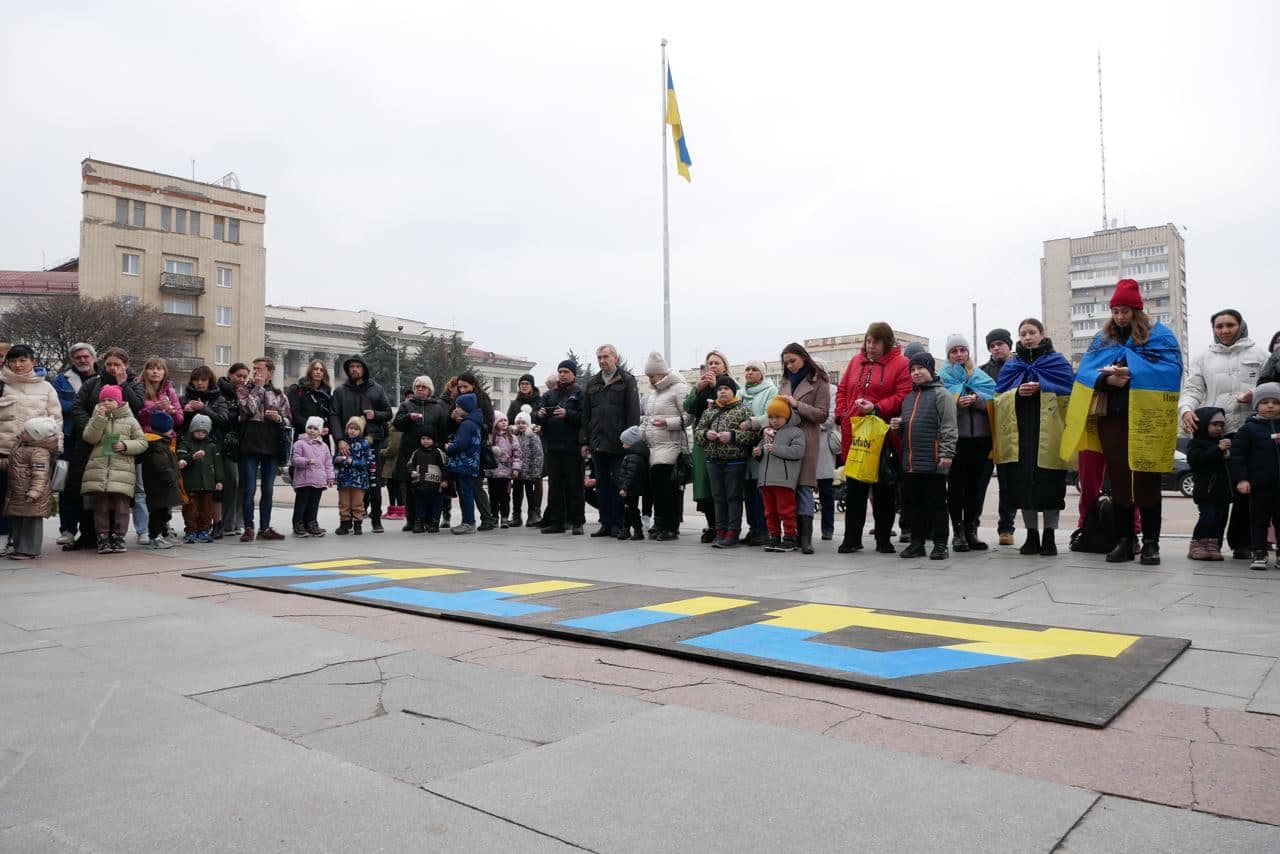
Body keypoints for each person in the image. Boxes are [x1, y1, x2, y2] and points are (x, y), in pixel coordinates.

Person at [1062, 280, 1184, 566]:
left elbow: (1171, 369)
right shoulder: (1103, 339)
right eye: (1115, 311)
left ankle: (1151, 543)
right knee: (1118, 481)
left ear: (1136, 310)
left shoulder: (1160, 337)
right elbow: (1085, 374)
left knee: (1147, 478)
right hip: (1113, 418)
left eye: (1125, 310)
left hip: (1147, 419)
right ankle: (1125, 540)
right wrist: (1107, 378)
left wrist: (1133, 372)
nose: (1119, 316)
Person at [1178, 310, 1268, 560]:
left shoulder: (1260, 355)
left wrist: (1255, 394)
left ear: (1240, 325)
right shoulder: (1204, 358)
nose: (1224, 330)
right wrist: (1186, 410)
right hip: (1218, 431)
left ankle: (1242, 543)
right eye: (1219, 326)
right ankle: (1209, 543)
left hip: (1252, 428)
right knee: (1217, 490)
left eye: (1230, 325)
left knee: (1245, 490)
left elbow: (1272, 386)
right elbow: (1193, 388)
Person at [994, 318, 1075, 556]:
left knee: (1051, 486)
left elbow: (1070, 392)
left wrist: (1044, 387)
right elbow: (999, 397)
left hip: (1050, 435)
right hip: (1021, 437)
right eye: (1023, 333)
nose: (1027, 337)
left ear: (1042, 334)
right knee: (1024, 489)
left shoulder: (1057, 362)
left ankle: (1049, 536)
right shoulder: (1012, 365)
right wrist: (1017, 392)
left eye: (1032, 332)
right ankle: (1031, 535)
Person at [835, 323, 911, 554]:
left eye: (875, 342)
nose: (870, 346)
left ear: (886, 342)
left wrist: (877, 407)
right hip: (855, 432)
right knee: (855, 488)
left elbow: (903, 395)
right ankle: (851, 538)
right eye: (868, 341)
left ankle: (883, 538)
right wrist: (841, 414)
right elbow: (843, 390)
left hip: (883, 435)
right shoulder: (855, 362)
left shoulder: (901, 364)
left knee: (883, 490)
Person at [66, 348, 145, 550]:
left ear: (125, 365)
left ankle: (116, 536)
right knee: (91, 491)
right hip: (91, 446)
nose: (112, 367)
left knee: (119, 495)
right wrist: (92, 427)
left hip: (120, 448)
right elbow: (77, 407)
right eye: (109, 364)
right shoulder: (93, 383)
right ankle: (90, 535)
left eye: (117, 364)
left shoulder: (134, 384)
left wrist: (122, 383)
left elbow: (136, 406)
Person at [890, 351, 958, 560]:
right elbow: (908, 429)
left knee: (937, 504)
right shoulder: (909, 398)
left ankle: (940, 545)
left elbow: (949, 426)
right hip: (911, 462)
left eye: (920, 368)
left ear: (930, 369)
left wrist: (946, 453)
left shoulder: (942, 395)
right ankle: (917, 544)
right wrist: (897, 427)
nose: (916, 373)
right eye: (913, 369)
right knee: (913, 505)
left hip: (935, 461)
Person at [0, 344, 62, 554]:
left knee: (29, 498)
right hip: (4, 449)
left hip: (33, 453)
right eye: (13, 360)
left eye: (23, 360)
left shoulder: (46, 388)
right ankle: (6, 539)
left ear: (33, 362)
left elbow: (56, 420)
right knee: (3, 498)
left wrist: (54, 448)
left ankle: (24, 545)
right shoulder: (2, 384)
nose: (18, 365)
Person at [939, 334, 997, 551]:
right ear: (948, 355)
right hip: (957, 441)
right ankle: (958, 533)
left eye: (962, 350)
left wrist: (977, 399)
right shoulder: (942, 376)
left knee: (975, 488)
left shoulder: (979, 375)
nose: (959, 355)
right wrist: (956, 402)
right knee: (955, 488)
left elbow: (995, 397)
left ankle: (972, 531)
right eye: (954, 351)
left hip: (980, 440)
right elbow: (939, 404)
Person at [580, 345, 641, 538]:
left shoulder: (627, 380)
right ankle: (605, 522)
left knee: (618, 483)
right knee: (603, 484)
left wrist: (630, 438)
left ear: (615, 358)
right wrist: (585, 440)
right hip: (598, 442)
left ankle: (619, 522)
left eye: (606, 356)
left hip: (619, 442)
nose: (602, 360)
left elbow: (633, 412)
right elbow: (586, 415)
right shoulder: (593, 383)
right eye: (599, 357)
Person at [777, 343, 831, 554]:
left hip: (807, 438)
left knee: (804, 486)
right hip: (785, 438)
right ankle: (792, 535)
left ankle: (806, 538)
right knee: (787, 487)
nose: (790, 366)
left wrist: (796, 404)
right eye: (786, 362)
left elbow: (822, 414)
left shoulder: (819, 380)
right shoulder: (784, 381)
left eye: (793, 361)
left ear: (803, 357)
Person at [693, 375, 758, 548]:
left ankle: (733, 532)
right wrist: (707, 435)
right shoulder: (709, 411)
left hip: (735, 462)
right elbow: (698, 432)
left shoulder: (743, 410)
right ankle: (720, 531)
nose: (722, 392)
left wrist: (733, 436)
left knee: (733, 497)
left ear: (733, 391)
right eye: (719, 389)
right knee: (718, 498)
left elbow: (753, 435)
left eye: (726, 389)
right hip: (713, 461)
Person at [329, 355, 392, 533]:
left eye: (358, 366)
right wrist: (340, 438)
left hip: (371, 442)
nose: (354, 369)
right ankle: (348, 521)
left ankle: (376, 519)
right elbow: (334, 415)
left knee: (374, 481)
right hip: (347, 444)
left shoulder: (377, 389)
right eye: (351, 367)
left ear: (364, 369)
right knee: (348, 483)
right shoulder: (341, 391)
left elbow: (387, 412)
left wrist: (376, 415)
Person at [81, 384, 147, 554]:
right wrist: (99, 419)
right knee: (100, 506)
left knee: (121, 507)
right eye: (103, 400)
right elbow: (89, 437)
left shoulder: (130, 420)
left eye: (110, 400)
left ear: (119, 402)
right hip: (100, 469)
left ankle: (119, 536)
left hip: (122, 471)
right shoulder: (96, 417)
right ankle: (102, 537)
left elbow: (142, 442)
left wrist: (125, 445)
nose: (106, 403)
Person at [236, 357, 292, 542]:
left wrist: (278, 419)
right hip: (250, 444)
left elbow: (288, 420)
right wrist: (258, 388)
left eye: (259, 369)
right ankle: (249, 527)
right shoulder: (244, 390)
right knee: (249, 488)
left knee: (268, 489)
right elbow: (248, 410)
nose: (255, 373)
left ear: (270, 372)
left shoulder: (279, 394)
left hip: (271, 445)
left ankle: (265, 527)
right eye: (254, 369)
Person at [1230, 383, 1280, 570]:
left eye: (1275, 402)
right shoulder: (1248, 429)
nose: (1270, 406)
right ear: (1256, 405)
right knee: (1258, 519)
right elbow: (1238, 456)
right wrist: (1242, 479)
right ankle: (1259, 552)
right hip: (1259, 485)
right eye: (1265, 402)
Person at [641, 352, 690, 542]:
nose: (650, 380)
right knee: (657, 489)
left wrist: (668, 423)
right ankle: (659, 522)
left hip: (672, 446)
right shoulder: (653, 394)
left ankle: (671, 526)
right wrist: (642, 432)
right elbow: (647, 417)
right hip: (654, 447)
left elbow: (688, 417)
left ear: (661, 373)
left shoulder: (679, 389)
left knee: (669, 490)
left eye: (652, 376)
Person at [52, 342, 98, 546]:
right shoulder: (61, 380)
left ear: (93, 358)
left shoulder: (103, 378)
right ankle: (68, 529)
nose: (82, 360)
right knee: (66, 486)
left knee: (92, 485)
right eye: (78, 357)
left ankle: (94, 531)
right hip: (70, 438)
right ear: (72, 360)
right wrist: (82, 406)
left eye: (85, 356)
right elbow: (56, 404)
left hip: (95, 439)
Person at [684, 351, 733, 541]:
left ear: (724, 366)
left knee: (720, 488)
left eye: (716, 363)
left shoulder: (728, 385)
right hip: (702, 441)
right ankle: (712, 525)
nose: (712, 366)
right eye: (709, 363)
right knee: (704, 487)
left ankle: (725, 526)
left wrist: (716, 388)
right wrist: (697, 389)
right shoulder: (701, 386)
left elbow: (731, 405)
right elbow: (688, 408)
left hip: (721, 442)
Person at [392, 376, 451, 531]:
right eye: (417, 386)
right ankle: (412, 519)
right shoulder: (406, 405)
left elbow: (442, 430)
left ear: (429, 390)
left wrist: (441, 448)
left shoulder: (437, 407)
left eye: (423, 387)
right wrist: (408, 418)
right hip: (410, 452)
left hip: (432, 454)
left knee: (430, 487)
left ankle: (431, 520)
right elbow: (397, 424)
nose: (419, 389)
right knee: (411, 487)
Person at [179, 366, 231, 538]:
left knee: (212, 491)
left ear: (210, 381)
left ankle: (214, 525)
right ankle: (192, 528)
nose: (200, 383)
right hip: (189, 447)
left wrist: (203, 409)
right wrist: (185, 413)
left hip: (212, 446)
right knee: (191, 490)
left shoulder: (219, 398)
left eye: (203, 380)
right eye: (196, 379)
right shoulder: (185, 397)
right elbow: (178, 425)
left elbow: (223, 420)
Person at [535, 360, 585, 535]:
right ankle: (557, 522)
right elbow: (537, 415)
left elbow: (584, 418)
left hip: (572, 448)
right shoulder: (549, 394)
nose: (562, 374)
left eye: (566, 371)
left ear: (573, 374)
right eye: (560, 371)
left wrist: (568, 414)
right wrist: (539, 415)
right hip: (553, 447)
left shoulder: (579, 394)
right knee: (555, 487)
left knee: (575, 485)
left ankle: (577, 521)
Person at [980, 329, 1018, 545]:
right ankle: (972, 525)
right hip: (986, 435)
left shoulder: (1018, 368)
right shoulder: (982, 372)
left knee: (1008, 484)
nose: (996, 348)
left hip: (1009, 434)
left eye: (1000, 344)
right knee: (980, 483)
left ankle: (1006, 528)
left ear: (1008, 345)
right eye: (992, 345)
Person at [2, 416, 60, 559]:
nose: (21, 433)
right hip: (18, 493)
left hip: (31, 495)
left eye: (26, 432)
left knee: (30, 523)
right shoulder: (22, 446)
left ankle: (29, 550)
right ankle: (19, 547)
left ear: (35, 436)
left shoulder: (39, 453)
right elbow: (11, 463)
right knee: (18, 521)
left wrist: (35, 492)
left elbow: (40, 474)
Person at [756, 396, 806, 552]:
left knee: (786, 511)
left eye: (778, 417)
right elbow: (762, 451)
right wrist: (757, 453)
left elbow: (797, 452)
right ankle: (774, 537)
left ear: (787, 416)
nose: (774, 421)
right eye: (771, 417)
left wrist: (775, 449)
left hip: (784, 481)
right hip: (766, 480)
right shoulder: (767, 433)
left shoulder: (795, 432)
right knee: (770, 512)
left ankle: (790, 537)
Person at [739, 359, 779, 546]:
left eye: (754, 369)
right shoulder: (740, 392)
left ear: (762, 373)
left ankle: (763, 530)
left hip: (761, 444)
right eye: (747, 369)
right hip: (741, 447)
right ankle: (752, 528)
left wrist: (752, 422)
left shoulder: (771, 391)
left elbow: (770, 416)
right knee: (747, 491)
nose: (750, 372)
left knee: (759, 490)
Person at [1185, 407, 1233, 561]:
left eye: (1221, 425)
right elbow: (1197, 461)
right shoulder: (1196, 443)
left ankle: (1213, 544)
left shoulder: (1222, 442)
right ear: (1204, 424)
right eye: (1214, 424)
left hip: (1222, 491)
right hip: (1206, 491)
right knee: (1208, 516)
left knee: (1220, 519)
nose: (1219, 428)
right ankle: (1198, 543)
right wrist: (1217, 449)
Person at [177, 413, 224, 543]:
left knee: (206, 509)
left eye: (204, 432)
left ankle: (204, 530)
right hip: (191, 483)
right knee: (190, 509)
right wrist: (192, 457)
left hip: (208, 483)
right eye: (198, 431)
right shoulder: (185, 443)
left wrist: (219, 480)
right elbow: (181, 459)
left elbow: (217, 464)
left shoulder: (212, 446)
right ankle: (191, 530)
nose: (200, 434)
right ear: (192, 429)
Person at [139, 411, 182, 549]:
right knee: (159, 513)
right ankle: (155, 538)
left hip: (159, 485)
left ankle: (158, 536)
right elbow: (161, 465)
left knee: (162, 512)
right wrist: (170, 478)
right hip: (160, 486)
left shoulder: (158, 442)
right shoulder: (157, 445)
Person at [217, 363, 250, 538]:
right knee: (232, 482)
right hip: (225, 443)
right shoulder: (220, 391)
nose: (242, 379)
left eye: (245, 376)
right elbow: (222, 416)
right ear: (230, 375)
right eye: (239, 375)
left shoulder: (246, 393)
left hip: (243, 443)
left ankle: (238, 522)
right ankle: (226, 523)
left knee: (242, 484)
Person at [288, 416, 333, 538]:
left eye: (315, 428)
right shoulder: (299, 443)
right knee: (302, 502)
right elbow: (295, 459)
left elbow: (328, 463)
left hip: (318, 480)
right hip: (304, 480)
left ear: (320, 431)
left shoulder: (324, 446)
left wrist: (330, 477)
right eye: (310, 427)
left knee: (314, 503)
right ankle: (298, 524)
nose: (312, 430)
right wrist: (306, 461)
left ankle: (311, 523)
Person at [446, 393, 484, 535]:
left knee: (465, 493)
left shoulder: (467, 424)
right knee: (466, 492)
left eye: (458, 406)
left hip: (464, 464)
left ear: (465, 407)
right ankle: (467, 521)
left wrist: (449, 447)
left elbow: (460, 444)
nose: (455, 409)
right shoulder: (474, 421)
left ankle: (468, 522)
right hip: (471, 463)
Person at [334, 416, 374, 535]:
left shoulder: (364, 444)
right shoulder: (342, 444)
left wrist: (354, 462)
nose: (352, 431)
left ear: (360, 431)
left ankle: (358, 523)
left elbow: (367, 462)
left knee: (357, 503)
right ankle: (345, 523)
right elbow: (333, 459)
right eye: (350, 428)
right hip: (344, 479)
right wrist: (338, 459)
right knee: (344, 503)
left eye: (356, 429)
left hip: (359, 479)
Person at [407, 432, 448, 532]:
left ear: (433, 440)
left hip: (435, 486)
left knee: (436, 505)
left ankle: (434, 523)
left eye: (428, 439)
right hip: (419, 485)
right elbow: (410, 464)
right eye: (423, 439)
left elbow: (444, 467)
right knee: (419, 505)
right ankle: (419, 523)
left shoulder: (438, 452)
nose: (425, 441)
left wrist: (445, 480)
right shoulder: (416, 452)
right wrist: (412, 471)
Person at [511, 406, 544, 527]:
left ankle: (532, 515)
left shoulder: (533, 437)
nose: (520, 425)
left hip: (529, 473)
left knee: (530, 495)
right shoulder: (514, 437)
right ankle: (516, 516)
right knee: (516, 495)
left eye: (523, 423)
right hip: (518, 473)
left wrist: (536, 471)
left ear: (528, 424)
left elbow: (538, 455)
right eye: (518, 423)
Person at [486, 414, 521, 528]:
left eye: (505, 420)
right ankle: (494, 516)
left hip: (506, 473)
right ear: (495, 423)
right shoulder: (490, 437)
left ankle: (505, 517)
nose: (504, 422)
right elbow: (486, 452)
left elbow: (517, 454)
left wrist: (516, 468)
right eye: (501, 421)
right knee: (493, 496)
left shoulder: (512, 437)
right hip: (493, 473)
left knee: (505, 496)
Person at [287, 359, 334, 441]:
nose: (318, 372)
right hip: (302, 437)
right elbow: (295, 414)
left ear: (324, 374)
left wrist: (327, 428)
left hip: (322, 439)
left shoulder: (327, 394)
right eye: (315, 369)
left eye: (321, 370)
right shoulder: (297, 390)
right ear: (310, 371)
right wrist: (314, 428)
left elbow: (331, 415)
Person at [617, 426, 649, 541]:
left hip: (631, 489)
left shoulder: (633, 457)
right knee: (628, 509)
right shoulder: (633, 455)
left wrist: (624, 488)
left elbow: (631, 474)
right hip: (630, 488)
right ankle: (626, 529)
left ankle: (637, 530)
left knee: (631, 509)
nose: (622, 445)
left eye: (624, 442)